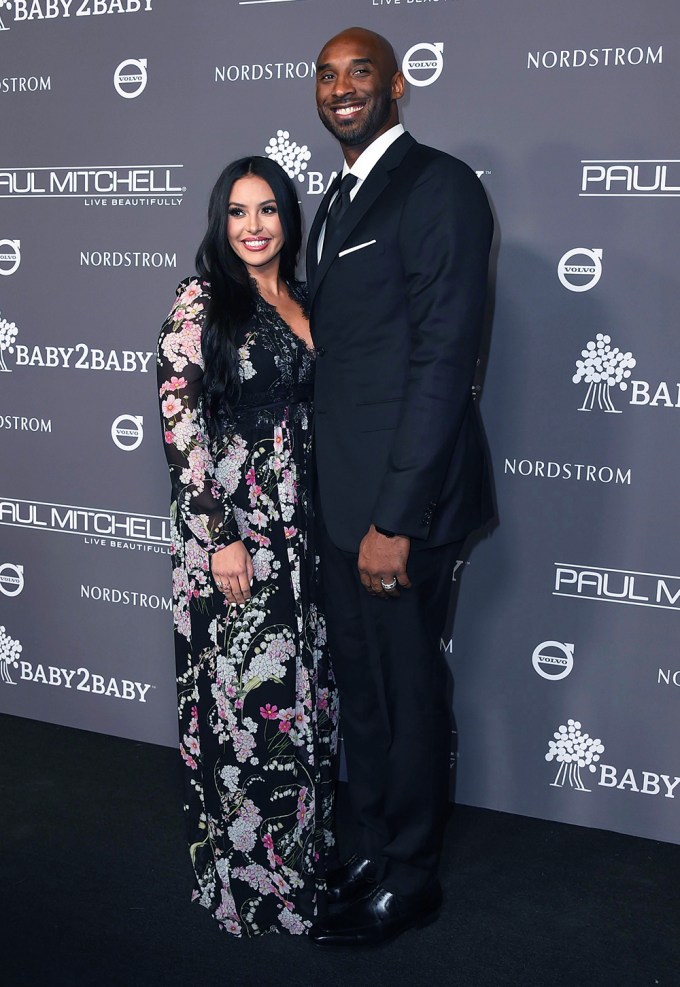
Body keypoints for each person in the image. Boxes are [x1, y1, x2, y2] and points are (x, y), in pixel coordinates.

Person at [306, 28, 494, 947]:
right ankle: (377, 843)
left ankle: (413, 874)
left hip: (400, 508)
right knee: (365, 686)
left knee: (409, 688)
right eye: (329, 75)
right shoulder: (332, 200)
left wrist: (396, 520)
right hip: (339, 499)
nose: (343, 89)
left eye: (361, 73)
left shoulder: (440, 187)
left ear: (399, 84)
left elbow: (441, 361)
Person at [156, 157, 338, 938]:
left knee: (303, 701)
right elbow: (180, 420)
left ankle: (302, 866)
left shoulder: (303, 298)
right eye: (238, 212)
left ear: (288, 220)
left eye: (268, 210)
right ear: (219, 222)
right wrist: (220, 537)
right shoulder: (203, 301)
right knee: (245, 705)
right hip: (236, 535)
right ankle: (247, 885)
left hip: (307, 533)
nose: (254, 226)